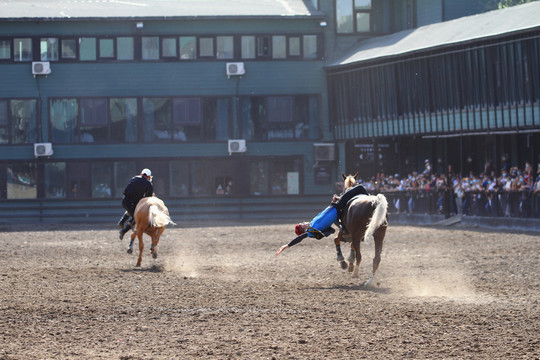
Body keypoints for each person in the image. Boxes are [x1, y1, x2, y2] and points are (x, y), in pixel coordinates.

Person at [276, 180, 368, 255]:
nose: (304, 222)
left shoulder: (313, 222)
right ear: (303, 229)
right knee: (359, 188)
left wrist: (332, 202)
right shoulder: (311, 231)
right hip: (338, 207)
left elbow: (326, 213)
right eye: (302, 224)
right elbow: (300, 238)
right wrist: (287, 245)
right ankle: (369, 200)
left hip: (335, 205)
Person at [118, 168, 154, 240]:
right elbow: (148, 198)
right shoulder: (148, 183)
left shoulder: (134, 178)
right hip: (132, 203)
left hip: (124, 201)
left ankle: (121, 222)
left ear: (141, 174)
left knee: (131, 210)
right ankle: (123, 231)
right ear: (148, 176)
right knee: (136, 218)